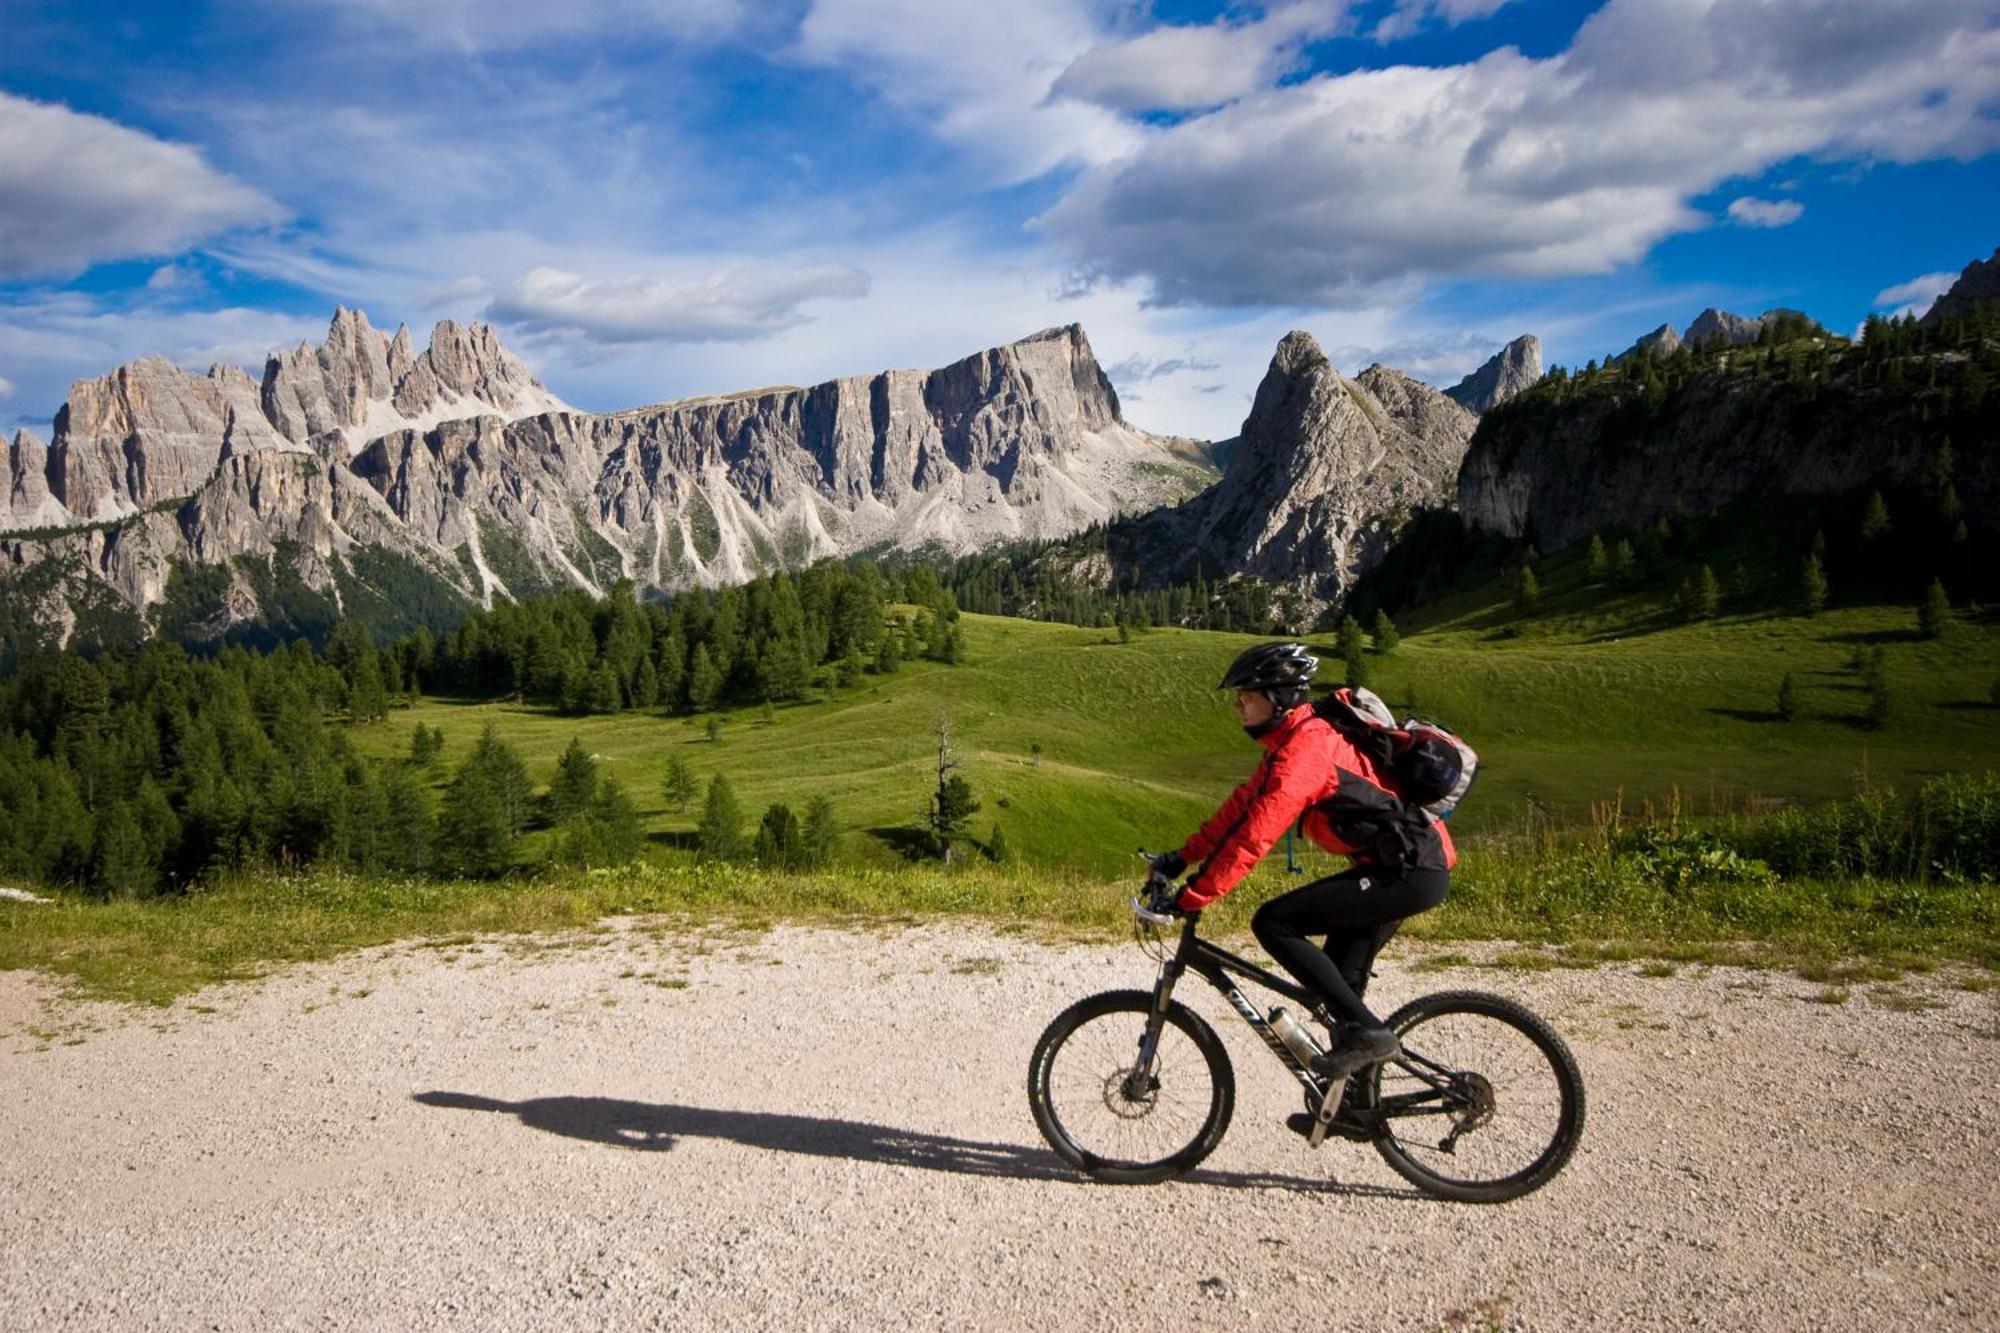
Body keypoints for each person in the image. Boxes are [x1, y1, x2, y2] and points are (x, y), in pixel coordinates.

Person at [1151, 641, 1455, 1093]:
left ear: (1277, 698)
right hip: (1399, 868)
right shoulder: (1291, 743)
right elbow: (1240, 809)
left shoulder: (1304, 754)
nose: (1238, 705)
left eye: (1246, 696)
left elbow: (1256, 834)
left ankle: (1369, 1039)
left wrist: (1196, 894)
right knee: (1337, 994)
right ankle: (1356, 1103)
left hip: (1411, 873)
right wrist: (1180, 857)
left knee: (1273, 922)